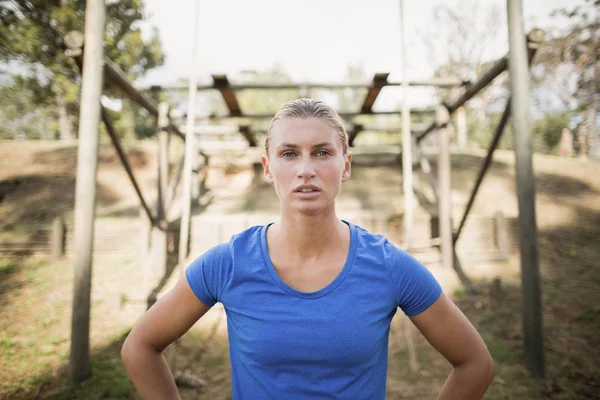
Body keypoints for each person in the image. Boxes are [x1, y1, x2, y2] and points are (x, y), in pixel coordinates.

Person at [121, 98, 495, 399]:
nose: (305, 169)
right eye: (288, 154)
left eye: (321, 152)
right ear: (268, 168)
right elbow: (140, 346)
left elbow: (475, 363)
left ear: (345, 165)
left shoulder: (390, 267)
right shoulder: (228, 263)